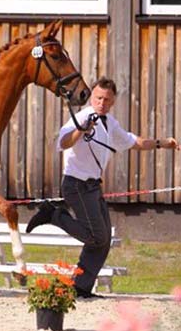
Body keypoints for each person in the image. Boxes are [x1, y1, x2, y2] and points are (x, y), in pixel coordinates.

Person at [26, 77, 181, 298]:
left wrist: (162, 143)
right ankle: (53, 215)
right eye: (99, 98)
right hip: (76, 184)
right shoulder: (82, 117)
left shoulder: (109, 122)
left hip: (93, 187)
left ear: (112, 102)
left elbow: (133, 142)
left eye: (107, 100)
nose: (102, 102)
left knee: (103, 239)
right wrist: (81, 130)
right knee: (97, 237)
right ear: (92, 97)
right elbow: (63, 142)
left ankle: (80, 287)